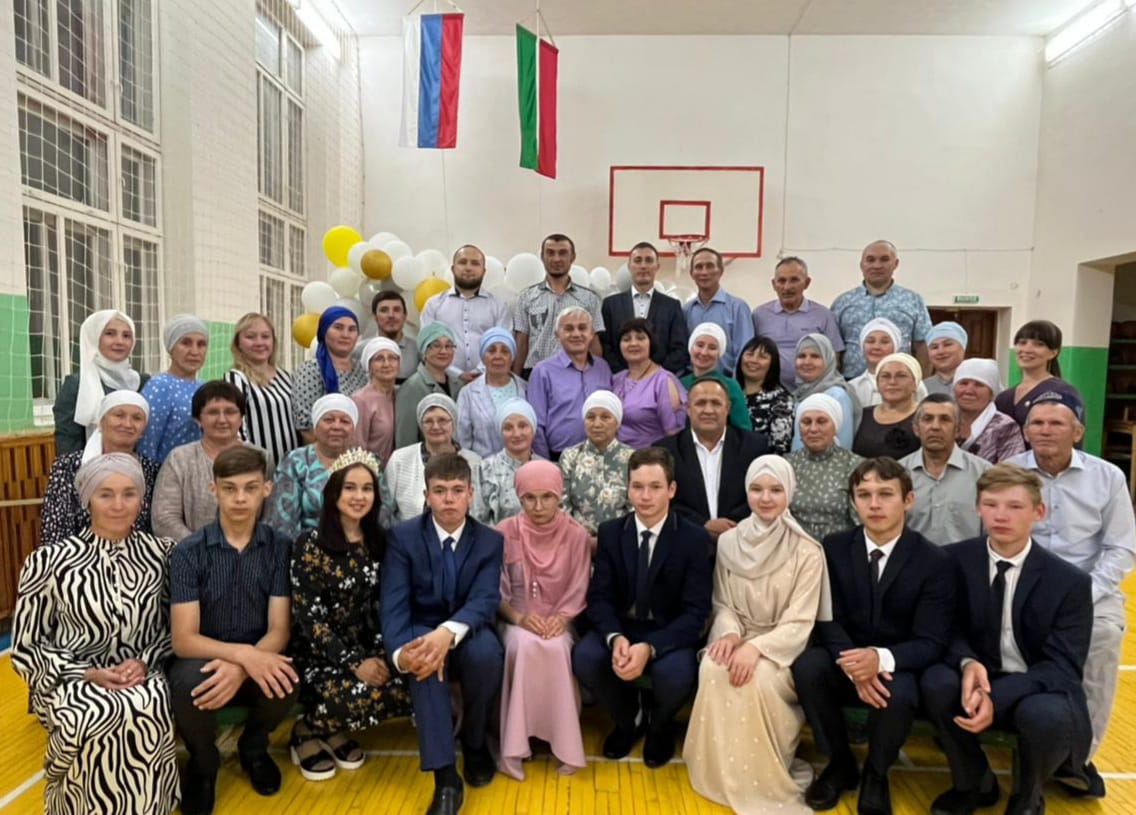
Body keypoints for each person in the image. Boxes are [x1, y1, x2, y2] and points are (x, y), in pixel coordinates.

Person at [921, 464, 1095, 815]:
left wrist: (993, 696)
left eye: (1015, 506)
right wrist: (967, 662)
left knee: (1045, 715)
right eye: (991, 504)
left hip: (1035, 683)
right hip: (977, 671)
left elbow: (1062, 667)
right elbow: (943, 629)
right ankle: (974, 782)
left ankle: (1027, 798)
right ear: (978, 508)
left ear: (1038, 512)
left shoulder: (1069, 582)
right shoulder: (951, 560)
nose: (1001, 516)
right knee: (937, 683)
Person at [12, 454, 179, 815]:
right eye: (106, 494)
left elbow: (175, 628)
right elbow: (25, 648)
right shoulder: (49, 562)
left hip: (143, 672)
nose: (119, 505)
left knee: (144, 706)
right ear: (87, 499)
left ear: (142, 498)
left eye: (129, 493)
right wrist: (86, 673)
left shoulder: (162, 554)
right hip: (69, 677)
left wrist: (144, 662)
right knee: (89, 714)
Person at [792, 457, 954, 815]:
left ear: (908, 500)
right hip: (846, 655)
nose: (874, 504)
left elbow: (931, 641)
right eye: (864, 495)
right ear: (853, 501)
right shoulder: (833, 547)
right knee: (808, 667)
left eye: (886, 494)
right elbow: (826, 618)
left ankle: (876, 774)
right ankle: (840, 763)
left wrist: (878, 660)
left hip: (899, 662)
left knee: (897, 695)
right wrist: (855, 665)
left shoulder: (934, 561)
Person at [684, 455, 830, 814]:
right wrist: (730, 636)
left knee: (759, 679)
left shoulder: (807, 551)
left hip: (782, 647)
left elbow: (800, 621)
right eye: (757, 489)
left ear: (789, 493)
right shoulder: (729, 542)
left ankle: (761, 776)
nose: (765, 498)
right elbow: (723, 603)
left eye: (775, 490)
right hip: (739, 634)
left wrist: (758, 648)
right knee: (714, 667)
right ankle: (719, 772)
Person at [1008, 391, 1135, 774]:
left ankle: (1079, 759)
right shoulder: (1008, 473)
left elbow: (1122, 548)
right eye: (1037, 423)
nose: (1045, 430)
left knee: (1103, 639)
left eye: (1056, 423)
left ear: (1077, 432)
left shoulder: (1107, 477)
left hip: (1090, 591)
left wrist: (1083, 594)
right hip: (1022, 589)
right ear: (1026, 432)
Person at [168, 446, 298, 815]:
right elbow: (184, 640)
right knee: (188, 684)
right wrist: (241, 657)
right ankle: (203, 761)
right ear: (214, 490)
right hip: (204, 656)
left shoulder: (279, 547)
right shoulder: (189, 552)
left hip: (259, 648)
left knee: (286, 679)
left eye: (250, 488)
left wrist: (244, 666)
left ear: (266, 490)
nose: (240, 498)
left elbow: (279, 629)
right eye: (229, 488)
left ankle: (253, 747)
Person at [572, 447, 713, 768]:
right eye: (637, 486)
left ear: (671, 490)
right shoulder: (611, 533)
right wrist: (615, 638)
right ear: (628, 489)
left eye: (655, 487)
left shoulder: (693, 539)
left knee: (675, 674)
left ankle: (660, 725)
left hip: (669, 629)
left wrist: (650, 648)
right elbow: (600, 598)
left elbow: (695, 613)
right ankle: (628, 719)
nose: (645, 496)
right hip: (623, 625)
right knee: (586, 657)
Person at [380, 453, 505, 815]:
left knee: (487, 655)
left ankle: (475, 742)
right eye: (439, 491)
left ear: (471, 494)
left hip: (466, 629)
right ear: (426, 495)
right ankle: (446, 777)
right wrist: (401, 654)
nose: (448, 499)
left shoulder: (489, 540)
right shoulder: (402, 537)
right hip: (420, 627)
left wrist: (447, 633)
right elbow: (394, 604)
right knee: (423, 661)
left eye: (457, 490)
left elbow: (485, 599)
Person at [289, 448, 412, 781]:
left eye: (367, 488)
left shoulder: (381, 542)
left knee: (411, 687)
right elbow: (310, 621)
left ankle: (331, 728)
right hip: (321, 654)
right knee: (355, 696)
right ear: (334, 493)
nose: (359, 496)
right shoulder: (309, 544)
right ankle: (307, 729)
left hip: (370, 648)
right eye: (350, 488)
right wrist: (355, 663)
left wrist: (382, 656)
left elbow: (386, 606)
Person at [496, 460, 591, 780]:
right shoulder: (504, 532)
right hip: (515, 618)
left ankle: (562, 743)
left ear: (559, 496)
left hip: (561, 619)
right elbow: (495, 590)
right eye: (530, 498)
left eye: (547, 497)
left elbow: (579, 585)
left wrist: (561, 619)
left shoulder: (576, 535)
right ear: (519, 498)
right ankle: (517, 744)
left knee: (556, 648)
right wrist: (519, 618)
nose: (538, 507)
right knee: (523, 646)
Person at [656, 377, 770, 544]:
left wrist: (732, 528)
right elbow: (662, 501)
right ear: (688, 408)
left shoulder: (754, 447)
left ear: (728, 408)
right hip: (685, 544)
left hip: (743, 542)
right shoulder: (665, 451)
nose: (708, 410)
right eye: (700, 403)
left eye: (716, 403)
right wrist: (702, 526)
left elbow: (762, 496)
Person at [268, 394, 394, 541]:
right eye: (328, 420)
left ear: (353, 428)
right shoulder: (295, 462)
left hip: (361, 545)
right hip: (308, 548)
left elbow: (383, 515)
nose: (336, 426)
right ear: (315, 427)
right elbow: (282, 522)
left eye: (345, 421)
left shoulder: (367, 462)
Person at [40, 390, 159, 545]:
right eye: (119, 415)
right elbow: (54, 529)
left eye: (137, 418)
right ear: (102, 422)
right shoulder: (67, 467)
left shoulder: (151, 470)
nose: (128, 424)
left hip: (137, 555)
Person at [152, 381, 264, 541]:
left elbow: (270, 516)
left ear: (241, 418)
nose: (222, 420)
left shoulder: (261, 457)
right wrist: (201, 549)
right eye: (213, 412)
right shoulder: (179, 459)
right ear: (198, 419)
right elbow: (164, 518)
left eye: (230, 412)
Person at [831, 240, 933, 378]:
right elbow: (834, 348)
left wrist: (921, 381)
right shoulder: (843, 302)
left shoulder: (913, 300)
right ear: (862, 265)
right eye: (870, 260)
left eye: (884, 259)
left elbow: (923, 346)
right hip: (851, 383)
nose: (877, 265)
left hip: (899, 382)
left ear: (895, 264)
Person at [899, 394, 991, 546]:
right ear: (916, 428)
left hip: (967, 560)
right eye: (927, 419)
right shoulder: (898, 474)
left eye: (945, 419)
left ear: (958, 429)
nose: (935, 427)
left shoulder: (984, 473)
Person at [53, 309, 147, 455]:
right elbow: (67, 442)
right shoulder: (77, 385)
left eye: (126, 336)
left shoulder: (142, 382)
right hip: (88, 465)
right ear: (94, 337)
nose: (119, 341)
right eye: (110, 334)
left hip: (136, 465)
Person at [528, 306, 613, 460]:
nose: (576, 334)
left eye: (582, 328)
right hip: (559, 457)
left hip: (602, 455)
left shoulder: (603, 368)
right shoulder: (543, 371)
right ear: (557, 335)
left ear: (592, 333)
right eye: (568, 329)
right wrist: (545, 463)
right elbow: (536, 424)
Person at [513, 233, 604, 374]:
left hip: (575, 372)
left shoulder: (590, 299)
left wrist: (596, 375)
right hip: (535, 372)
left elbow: (594, 343)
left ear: (572, 257)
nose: (556, 259)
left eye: (563, 253)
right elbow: (521, 343)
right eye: (550, 253)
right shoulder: (525, 298)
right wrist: (516, 378)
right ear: (542, 257)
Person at [420, 244, 512, 382]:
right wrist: (456, 374)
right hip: (443, 381)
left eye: (475, 263)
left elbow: (504, 345)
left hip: (487, 381)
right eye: (463, 262)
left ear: (483, 271)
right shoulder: (433, 305)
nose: (468, 268)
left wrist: (480, 372)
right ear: (453, 269)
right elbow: (426, 345)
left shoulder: (499, 306)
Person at [752, 256, 844, 391]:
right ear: (773, 284)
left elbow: (834, 357)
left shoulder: (823, 315)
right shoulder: (759, 315)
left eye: (794, 280)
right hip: (768, 392)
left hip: (813, 392)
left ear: (807, 283)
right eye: (781, 281)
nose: (787, 287)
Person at [386, 394, 482, 522]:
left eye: (442, 420)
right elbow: (386, 509)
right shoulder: (400, 459)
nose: (435, 426)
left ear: (453, 424)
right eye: (428, 421)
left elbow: (479, 510)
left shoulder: (474, 461)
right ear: (421, 425)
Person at [558, 390, 635, 546]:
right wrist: (581, 538)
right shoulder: (570, 456)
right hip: (576, 542)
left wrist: (615, 539)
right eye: (591, 417)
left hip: (621, 542)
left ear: (617, 422)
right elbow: (562, 505)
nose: (597, 424)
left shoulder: (632, 458)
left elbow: (636, 506)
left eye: (605, 417)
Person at [600, 241, 690, 374]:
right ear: (629, 266)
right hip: (620, 379)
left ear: (657, 266)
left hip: (660, 380)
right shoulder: (610, 305)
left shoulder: (672, 306)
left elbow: (679, 349)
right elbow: (605, 346)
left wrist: (655, 375)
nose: (643, 266)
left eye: (649, 260)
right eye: (637, 260)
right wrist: (626, 375)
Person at [225, 312, 300, 472]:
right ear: (238, 343)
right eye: (250, 337)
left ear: (273, 342)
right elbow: (237, 430)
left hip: (291, 469)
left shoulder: (286, 377)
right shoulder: (236, 378)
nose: (259, 342)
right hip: (258, 469)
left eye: (265, 336)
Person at [787, 394, 863, 543]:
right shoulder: (787, 464)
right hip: (794, 550)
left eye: (822, 421)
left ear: (835, 426)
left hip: (840, 549)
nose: (813, 429)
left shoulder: (855, 465)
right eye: (806, 422)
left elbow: (862, 521)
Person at [137, 313, 209, 464]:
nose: (194, 351)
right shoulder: (159, 387)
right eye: (186, 343)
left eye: (201, 344)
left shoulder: (205, 388)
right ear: (171, 348)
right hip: (168, 474)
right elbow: (147, 444)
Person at [292, 306, 367, 444]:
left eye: (352, 329)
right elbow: (306, 429)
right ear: (324, 331)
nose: (345, 335)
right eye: (338, 328)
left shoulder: (362, 369)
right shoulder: (311, 370)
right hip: (326, 452)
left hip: (361, 450)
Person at [611, 318, 687, 447]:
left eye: (640, 338)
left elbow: (672, 433)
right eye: (626, 339)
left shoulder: (663, 381)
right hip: (616, 455)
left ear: (651, 343)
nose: (633, 343)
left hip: (649, 455)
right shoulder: (616, 379)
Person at [455, 327, 528, 458]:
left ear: (512, 357)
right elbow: (462, 440)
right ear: (483, 357)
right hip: (482, 467)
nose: (498, 356)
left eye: (505, 351)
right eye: (491, 350)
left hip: (522, 465)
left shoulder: (526, 389)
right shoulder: (467, 394)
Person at [996, 320, 1082, 430]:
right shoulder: (1004, 398)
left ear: (1053, 353)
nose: (1027, 350)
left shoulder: (1062, 394)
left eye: (1039, 344)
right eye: (1022, 343)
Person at [682, 246, 753, 373]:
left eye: (710, 266)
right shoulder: (686, 310)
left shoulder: (738, 308)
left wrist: (734, 383)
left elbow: (745, 352)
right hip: (693, 380)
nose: (704, 272)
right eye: (699, 267)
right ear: (692, 273)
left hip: (727, 380)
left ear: (720, 271)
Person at [473, 398, 543, 526]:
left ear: (533, 429)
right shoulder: (484, 470)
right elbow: (477, 519)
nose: (516, 434)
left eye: (523, 426)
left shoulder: (546, 468)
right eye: (508, 428)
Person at [395, 321, 466, 449]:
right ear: (424, 350)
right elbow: (405, 438)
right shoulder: (411, 388)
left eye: (449, 346)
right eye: (436, 346)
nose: (443, 351)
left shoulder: (458, 385)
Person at [791, 333, 860, 451]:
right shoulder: (798, 394)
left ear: (828, 359)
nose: (807, 362)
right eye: (802, 356)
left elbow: (843, 446)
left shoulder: (837, 395)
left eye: (815, 356)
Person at [679, 322, 753, 431]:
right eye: (700, 345)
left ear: (719, 353)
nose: (704, 352)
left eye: (712, 348)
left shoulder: (731, 386)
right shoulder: (679, 384)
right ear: (691, 347)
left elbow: (743, 430)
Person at [953, 358, 1026, 464]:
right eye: (963, 383)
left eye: (979, 385)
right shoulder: (941, 419)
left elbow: (1011, 470)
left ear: (992, 393)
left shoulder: (1005, 427)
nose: (969, 391)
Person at [853, 353, 922, 460]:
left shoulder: (925, 416)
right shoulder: (861, 416)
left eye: (901, 376)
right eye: (885, 376)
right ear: (877, 383)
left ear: (915, 383)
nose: (892, 382)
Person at [848, 317, 929, 408]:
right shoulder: (853, 387)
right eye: (870, 341)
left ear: (895, 347)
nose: (876, 347)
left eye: (884, 342)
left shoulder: (914, 384)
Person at [735, 335, 795, 454]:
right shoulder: (729, 393)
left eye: (762, 357)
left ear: (773, 364)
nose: (754, 360)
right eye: (749, 354)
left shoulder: (781, 400)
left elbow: (780, 447)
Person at [352, 336, 401, 465]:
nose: (386, 364)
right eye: (379, 359)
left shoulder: (401, 394)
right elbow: (357, 449)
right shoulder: (361, 400)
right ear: (369, 366)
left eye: (392, 358)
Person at [370, 290, 419, 382]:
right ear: (374, 316)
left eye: (396, 310)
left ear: (404, 316)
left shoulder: (418, 350)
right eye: (384, 310)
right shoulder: (360, 351)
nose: (391, 315)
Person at [924, 321, 968, 397]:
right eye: (934, 347)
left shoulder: (978, 384)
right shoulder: (922, 388)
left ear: (963, 348)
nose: (940, 351)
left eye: (947, 345)